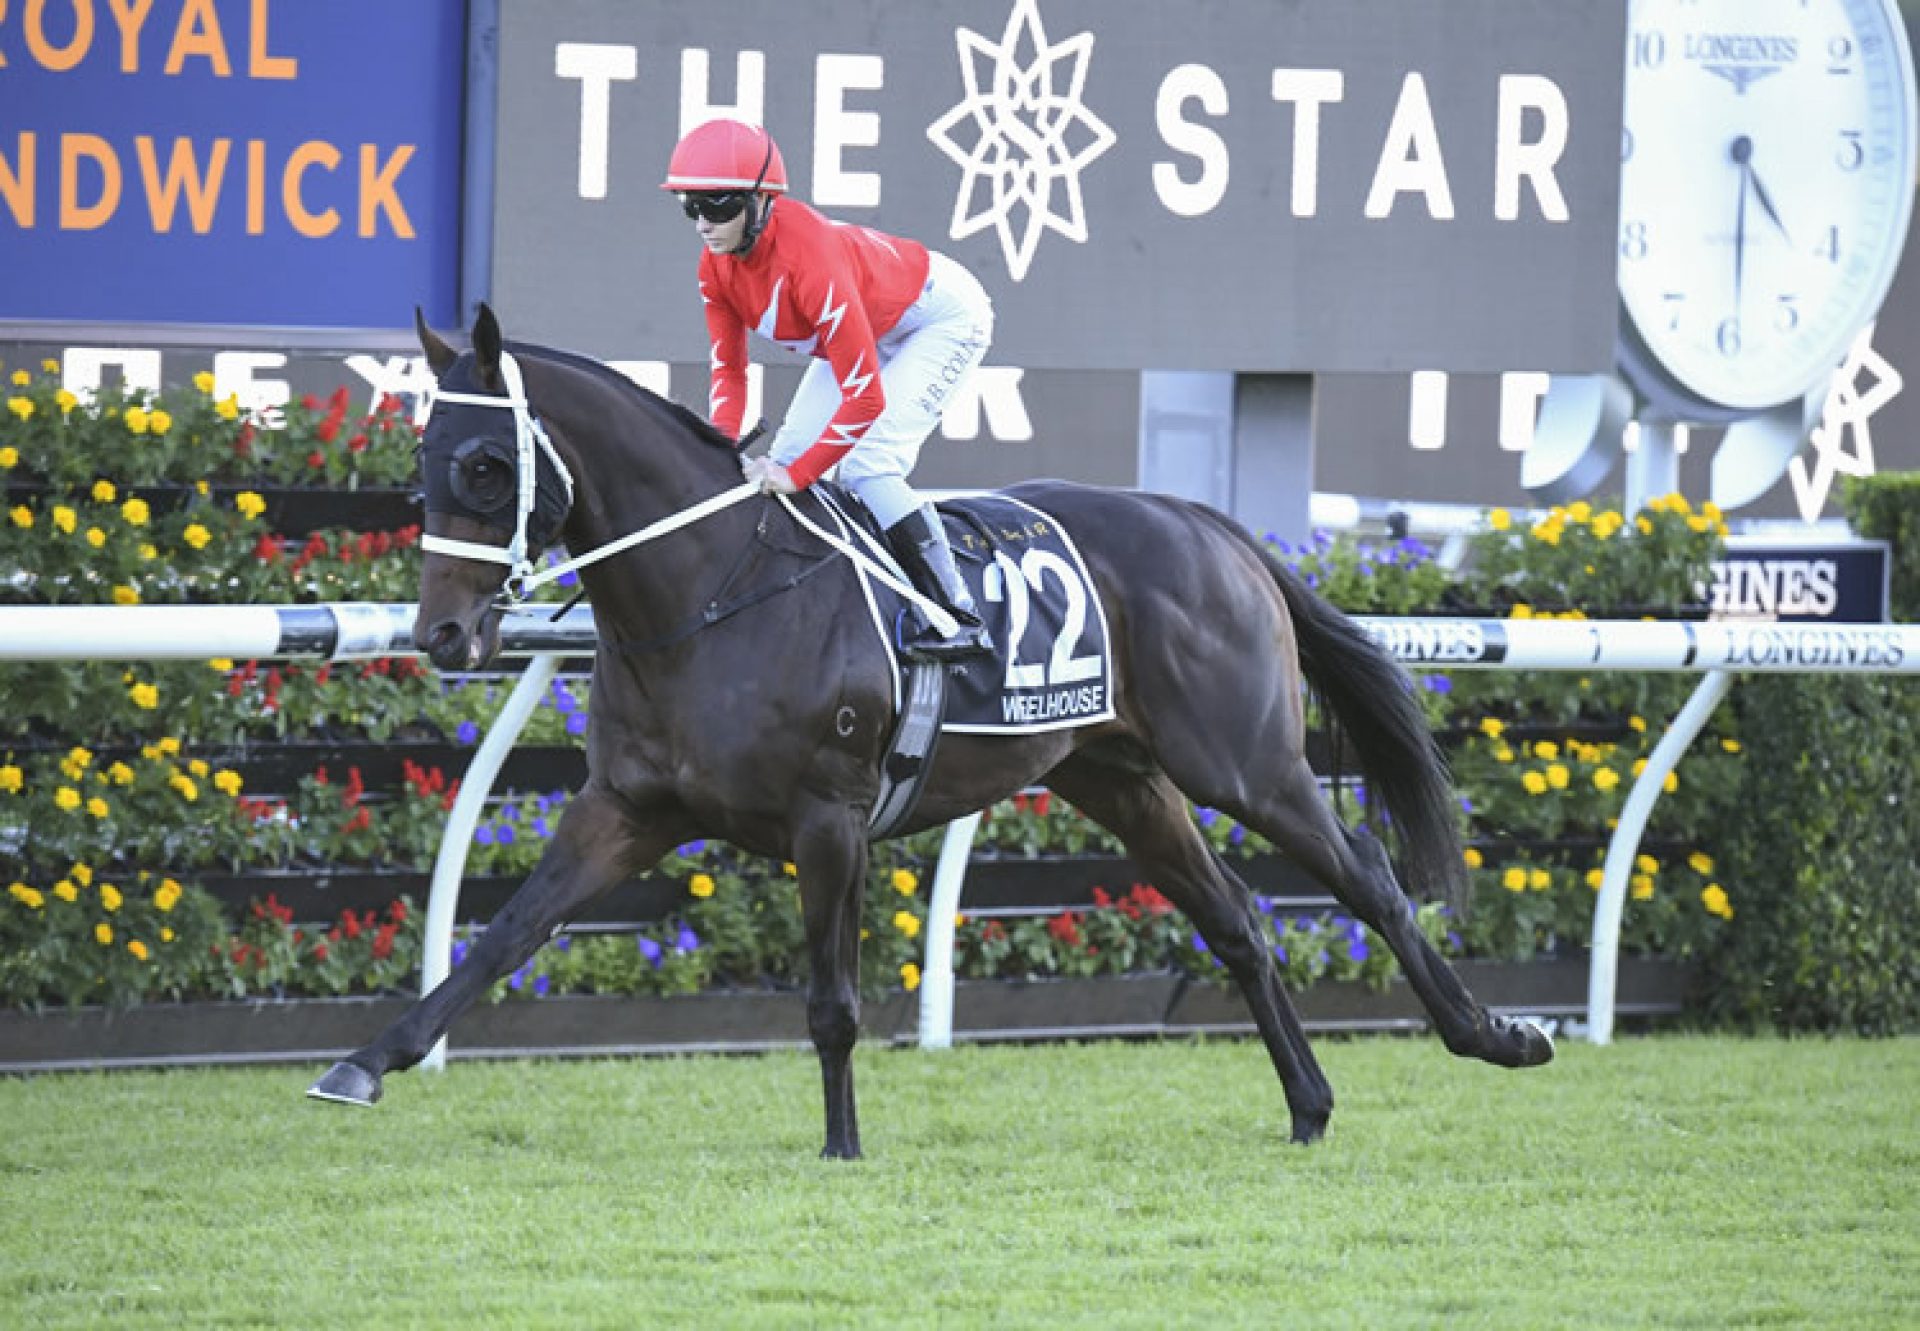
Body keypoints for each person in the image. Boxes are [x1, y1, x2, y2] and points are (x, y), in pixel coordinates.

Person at [662, 117, 994, 661]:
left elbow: (866, 399)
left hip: (942, 316)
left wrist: (794, 475)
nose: (703, 222)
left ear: (762, 202)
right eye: (689, 205)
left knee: (867, 464)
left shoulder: (808, 260)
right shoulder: (715, 265)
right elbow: (730, 373)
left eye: (718, 205)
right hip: (873, 320)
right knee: (785, 458)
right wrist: (719, 451)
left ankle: (955, 612)